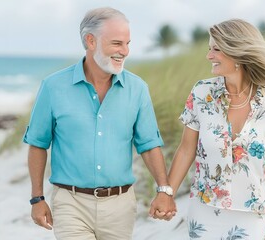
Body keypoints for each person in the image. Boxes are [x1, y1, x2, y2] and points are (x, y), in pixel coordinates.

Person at [23, 7, 176, 240]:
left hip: (120, 207)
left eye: (127, 43)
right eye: (117, 43)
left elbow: (149, 144)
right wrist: (37, 198)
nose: (124, 51)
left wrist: (164, 189)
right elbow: (38, 143)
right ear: (90, 41)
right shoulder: (53, 87)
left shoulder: (137, 89)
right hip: (70, 203)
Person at [163, 19, 265, 240]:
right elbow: (186, 149)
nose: (209, 56)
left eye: (216, 49)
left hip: (253, 215)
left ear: (237, 53)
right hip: (204, 211)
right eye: (209, 49)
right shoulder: (202, 93)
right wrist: (167, 193)